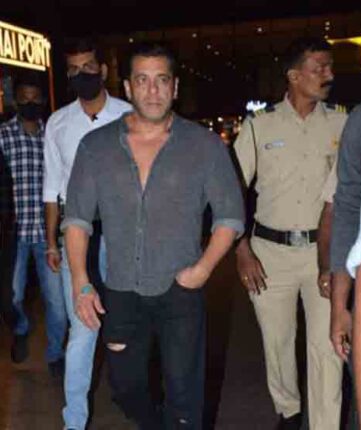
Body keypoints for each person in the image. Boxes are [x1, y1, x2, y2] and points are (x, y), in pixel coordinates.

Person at [63, 42, 244, 428]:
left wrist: (202, 270)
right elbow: (76, 219)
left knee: (184, 396)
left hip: (181, 289)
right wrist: (81, 281)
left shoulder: (203, 145)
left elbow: (230, 215)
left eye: (162, 80)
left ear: (174, 87)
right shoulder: (96, 146)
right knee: (125, 388)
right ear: (128, 87)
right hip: (121, 289)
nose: (152, 90)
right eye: (142, 80)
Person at [233, 37, 348, 430]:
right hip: (270, 255)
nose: (329, 75)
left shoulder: (342, 124)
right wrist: (241, 249)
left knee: (328, 346)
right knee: (277, 343)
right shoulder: (259, 126)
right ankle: (289, 410)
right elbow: (230, 190)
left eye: (330, 67)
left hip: (324, 253)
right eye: (320, 68)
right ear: (294, 76)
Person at [43, 37, 131, 430]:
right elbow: (52, 187)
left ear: (104, 71)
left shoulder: (128, 114)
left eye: (89, 67)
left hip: (122, 234)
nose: (83, 75)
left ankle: (131, 395)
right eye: (75, 70)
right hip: (76, 234)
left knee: (125, 321)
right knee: (82, 330)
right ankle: (74, 421)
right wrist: (51, 241)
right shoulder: (58, 123)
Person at [0, 74, 66, 374]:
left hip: (46, 234)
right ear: (15, 101)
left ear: (43, 101)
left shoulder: (52, 137)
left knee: (58, 303)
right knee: (10, 296)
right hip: (12, 233)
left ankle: (55, 354)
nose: (30, 103)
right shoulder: (2, 136)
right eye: (24, 98)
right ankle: (21, 328)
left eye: (35, 98)